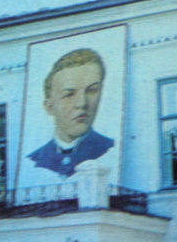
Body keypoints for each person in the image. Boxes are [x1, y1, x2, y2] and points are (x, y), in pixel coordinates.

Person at [27, 48, 114, 177]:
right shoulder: (36, 159)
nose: (82, 103)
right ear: (49, 106)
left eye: (92, 91)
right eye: (69, 94)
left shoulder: (109, 148)